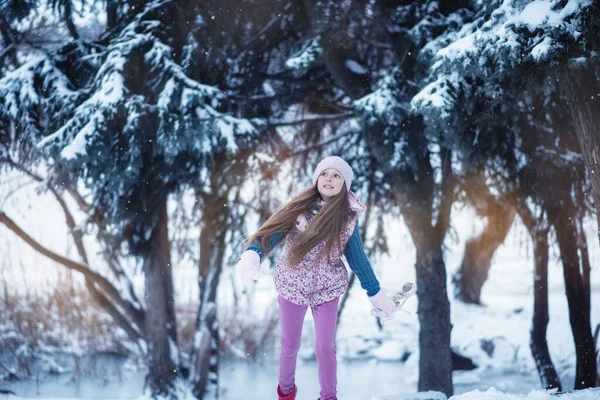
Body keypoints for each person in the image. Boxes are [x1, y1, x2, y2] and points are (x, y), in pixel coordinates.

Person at [236, 156, 396, 400]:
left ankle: (329, 397)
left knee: (324, 348)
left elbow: (358, 260)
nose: (329, 179)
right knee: (290, 346)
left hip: (326, 288)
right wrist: (253, 254)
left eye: (336, 176)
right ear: (316, 179)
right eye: (325, 174)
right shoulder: (298, 208)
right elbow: (272, 234)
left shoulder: (347, 218)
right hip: (293, 285)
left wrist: (375, 292)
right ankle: (286, 394)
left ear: (345, 184)